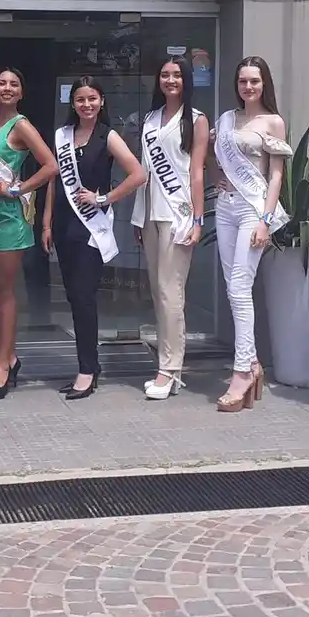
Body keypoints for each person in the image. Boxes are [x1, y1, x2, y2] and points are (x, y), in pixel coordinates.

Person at [43, 77, 146, 399]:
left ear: (101, 101)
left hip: (90, 228)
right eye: (80, 99)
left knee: (85, 299)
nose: (86, 105)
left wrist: (105, 198)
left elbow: (138, 174)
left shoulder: (108, 136)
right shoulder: (62, 136)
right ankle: (87, 365)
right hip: (63, 224)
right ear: (72, 103)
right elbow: (53, 180)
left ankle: (88, 370)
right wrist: (46, 223)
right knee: (73, 297)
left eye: (92, 99)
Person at [210, 57, 290, 412]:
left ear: (264, 83)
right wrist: (217, 177)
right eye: (243, 81)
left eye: (254, 81)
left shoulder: (274, 122)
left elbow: (275, 175)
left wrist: (265, 220)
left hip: (252, 209)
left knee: (240, 289)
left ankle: (243, 371)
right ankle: (252, 362)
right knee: (233, 288)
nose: (248, 87)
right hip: (225, 207)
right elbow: (214, 158)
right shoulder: (227, 119)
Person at [131, 57, 208, 400]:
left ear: (187, 80)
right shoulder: (149, 120)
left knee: (170, 293)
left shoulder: (196, 120)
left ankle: (170, 369)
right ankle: (165, 364)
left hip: (178, 215)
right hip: (149, 214)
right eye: (165, 74)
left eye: (177, 75)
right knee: (158, 293)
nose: (170, 80)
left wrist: (198, 219)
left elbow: (197, 172)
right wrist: (138, 218)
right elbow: (145, 172)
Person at [0, 67, 57, 401]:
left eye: (14, 84)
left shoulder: (20, 125)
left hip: (9, 217)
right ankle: (9, 356)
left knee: (5, 292)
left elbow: (50, 165)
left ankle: (2, 364)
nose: (7, 88)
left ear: (21, 92)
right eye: (1, 83)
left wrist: (17, 189)